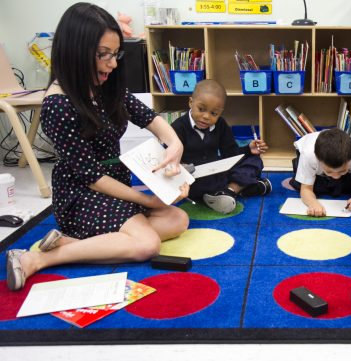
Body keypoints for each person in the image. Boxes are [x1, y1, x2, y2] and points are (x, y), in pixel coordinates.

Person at [5, 3, 190, 291]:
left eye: (115, 54)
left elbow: (149, 118)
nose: (112, 64)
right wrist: (149, 200)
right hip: (81, 195)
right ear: (75, 51)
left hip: (115, 186)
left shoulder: (105, 85)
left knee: (178, 219)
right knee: (147, 244)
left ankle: (76, 244)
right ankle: (38, 259)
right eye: (103, 55)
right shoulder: (59, 104)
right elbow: (91, 177)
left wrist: (174, 143)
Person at [170, 79, 271, 214]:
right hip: (193, 179)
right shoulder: (178, 127)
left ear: (220, 112)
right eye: (201, 109)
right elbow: (169, 158)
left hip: (217, 171)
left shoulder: (221, 125)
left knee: (255, 160)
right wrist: (181, 168)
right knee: (185, 181)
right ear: (190, 103)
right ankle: (240, 188)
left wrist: (248, 149)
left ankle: (228, 192)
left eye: (214, 113)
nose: (206, 117)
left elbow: (231, 154)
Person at [290, 128, 351, 217]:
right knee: (299, 184)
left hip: (335, 164)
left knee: (348, 187)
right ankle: (299, 164)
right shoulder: (309, 155)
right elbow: (306, 188)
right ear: (318, 160)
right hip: (305, 152)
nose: (336, 177)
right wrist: (313, 204)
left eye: (342, 171)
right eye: (329, 171)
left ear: (350, 160)